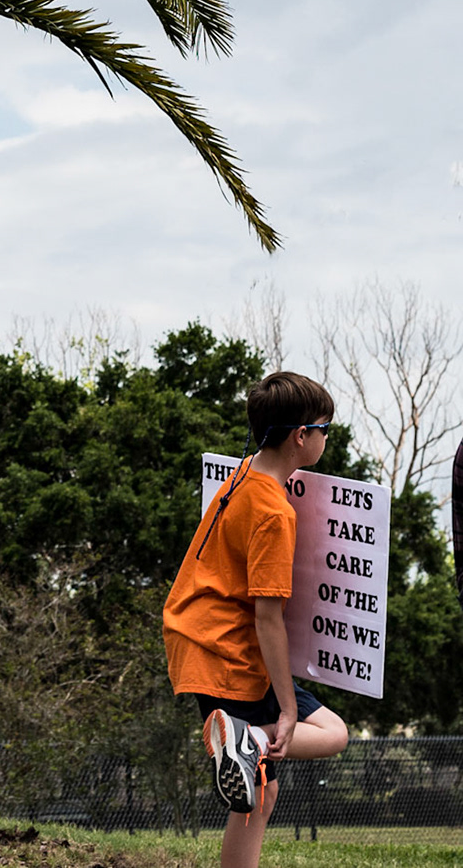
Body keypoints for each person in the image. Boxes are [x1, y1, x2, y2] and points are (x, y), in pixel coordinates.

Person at [163, 371, 351, 868]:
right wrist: (287, 711)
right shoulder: (275, 512)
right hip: (230, 650)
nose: (328, 437)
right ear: (301, 436)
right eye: (325, 427)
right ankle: (253, 739)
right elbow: (269, 618)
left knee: (263, 792)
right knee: (324, 739)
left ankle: (250, 743)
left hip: (197, 634)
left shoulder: (245, 473)